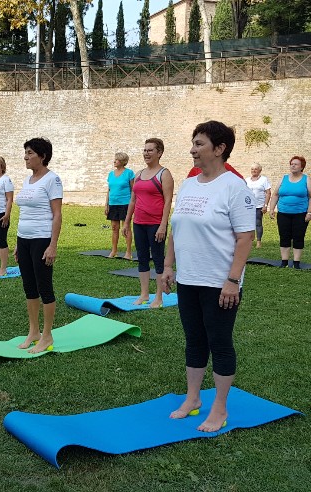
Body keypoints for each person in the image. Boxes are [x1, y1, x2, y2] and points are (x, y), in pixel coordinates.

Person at [162, 120, 255, 432]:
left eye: (199, 144)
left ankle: (219, 407)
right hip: (188, 279)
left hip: (219, 283)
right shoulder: (189, 184)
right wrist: (168, 266)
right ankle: (193, 398)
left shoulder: (234, 187)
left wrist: (232, 281)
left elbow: (245, 237)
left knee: (219, 342)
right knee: (194, 340)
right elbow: (176, 228)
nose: (192, 149)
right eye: (193, 143)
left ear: (219, 148)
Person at [14, 138, 63, 354]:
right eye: (25, 152)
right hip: (23, 239)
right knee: (29, 287)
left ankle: (47, 335)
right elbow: (25, 212)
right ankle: (33, 332)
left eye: (30, 153)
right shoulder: (28, 180)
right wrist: (18, 243)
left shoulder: (53, 180)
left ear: (42, 156)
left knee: (44, 287)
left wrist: (52, 245)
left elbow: (57, 214)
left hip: (42, 239)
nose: (25, 157)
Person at [122, 138, 174, 308]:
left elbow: (168, 201)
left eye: (150, 150)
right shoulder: (138, 174)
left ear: (159, 153)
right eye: (145, 150)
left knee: (158, 259)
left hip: (155, 224)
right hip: (139, 223)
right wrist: (127, 222)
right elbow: (133, 200)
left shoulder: (164, 174)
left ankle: (158, 297)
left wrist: (163, 225)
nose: (146, 153)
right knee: (142, 258)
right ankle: (144, 294)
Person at [269, 156, 311, 269]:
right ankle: (284, 262)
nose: (293, 166)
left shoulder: (306, 179)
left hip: (300, 214)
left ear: (302, 167)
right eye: (291, 164)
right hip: (283, 213)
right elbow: (275, 195)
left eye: (296, 164)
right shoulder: (283, 178)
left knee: (298, 236)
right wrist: (272, 209)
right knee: (284, 236)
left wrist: (309, 213)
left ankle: (296, 263)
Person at [105, 152, 134, 259]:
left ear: (122, 161)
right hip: (113, 204)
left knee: (126, 228)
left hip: (125, 204)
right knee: (114, 228)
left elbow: (133, 190)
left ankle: (128, 252)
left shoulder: (129, 173)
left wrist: (133, 204)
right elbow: (109, 190)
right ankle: (114, 251)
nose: (114, 161)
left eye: (116, 160)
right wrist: (106, 204)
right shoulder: (111, 174)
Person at [245, 163, 271, 248]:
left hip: (258, 205)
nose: (254, 171)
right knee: (248, 224)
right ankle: (249, 240)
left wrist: (265, 205)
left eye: (256, 169)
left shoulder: (264, 180)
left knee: (258, 223)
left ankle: (259, 241)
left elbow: (268, 193)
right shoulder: (247, 180)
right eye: (252, 169)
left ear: (260, 170)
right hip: (248, 206)